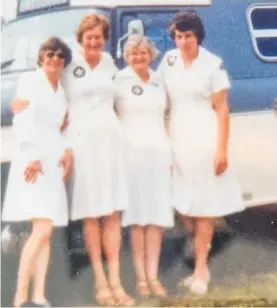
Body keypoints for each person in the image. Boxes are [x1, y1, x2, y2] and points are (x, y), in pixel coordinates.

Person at [11, 14, 133, 307]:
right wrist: (19, 103)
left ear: (105, 39)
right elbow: (43, 84)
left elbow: (123, 99)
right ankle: (100, 284)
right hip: (80, 144)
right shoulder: (67, 65)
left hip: (109, 140)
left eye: (99, 37)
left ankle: (116, 283)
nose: (94, 41)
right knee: (90, 213)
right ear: (80, 39)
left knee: (113, 211)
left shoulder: (109, 64)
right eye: (89, 36)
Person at [158, 11, 245, 295]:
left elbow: (222, 110)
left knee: (204, 209)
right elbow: (152, 88)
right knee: (185, 209)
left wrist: (221, 149)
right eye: (178, 37)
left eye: (188, 36)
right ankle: (201, 264)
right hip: (177, 142)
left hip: (205, 142)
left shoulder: (212, 65)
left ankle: (199, 271)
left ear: (198, 36)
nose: (183, 42)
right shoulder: (169, 61)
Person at [2, 37, 73, 307]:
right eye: (49, 53)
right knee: (41, 227)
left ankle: (39, 296)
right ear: (40, 57)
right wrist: (32, 156)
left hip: (53, 162)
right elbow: (23, 120)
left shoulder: (61, 90)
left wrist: (66, 151)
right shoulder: (30, 82)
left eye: (59, 55)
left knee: (46, 230)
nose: (54, 58)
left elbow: (61, 127)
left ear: (64, 60)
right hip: (33, 160)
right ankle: (20, 297)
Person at [114, 35, 174, 298]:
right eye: (133, 53)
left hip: (159, 152)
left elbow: (170, 113)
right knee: (137, 219)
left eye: (143, 53)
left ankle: (154, 276)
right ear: (126, 57)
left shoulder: (161, 80)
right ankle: (140, 278)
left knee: (156, 218)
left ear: (151, 55)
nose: (139, 57)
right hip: (132, 156)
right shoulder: (118, 82)